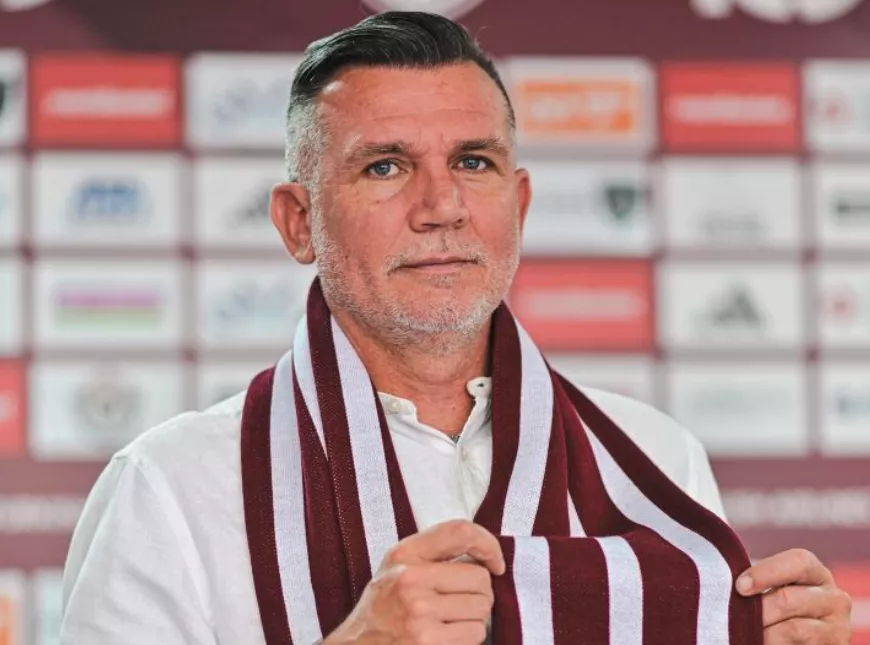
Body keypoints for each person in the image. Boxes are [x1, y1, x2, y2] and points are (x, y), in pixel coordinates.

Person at [59, 11, 851, 645]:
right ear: (299, 223)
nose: (442, 207)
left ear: (520, 204)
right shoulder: (171, 483)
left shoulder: (657, 459)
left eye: (474, 162)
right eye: (385, 166)